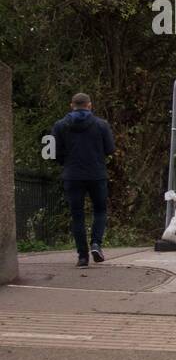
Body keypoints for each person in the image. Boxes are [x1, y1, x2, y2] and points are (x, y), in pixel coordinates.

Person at [52, 93, 115, 268]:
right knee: (100, 211)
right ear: (89, 105)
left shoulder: (60, 126)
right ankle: (96, 244)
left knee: (77, 216)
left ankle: (82, 257)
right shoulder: (101, 125)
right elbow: (110, 149)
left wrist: (65, 162)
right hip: (97, 174)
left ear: (72, 105)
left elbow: (52, 152)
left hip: (72, 176)